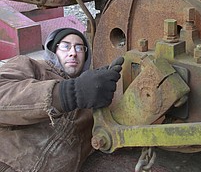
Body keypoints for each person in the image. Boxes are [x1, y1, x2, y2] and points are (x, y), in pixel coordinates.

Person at [0, 28, 124, 172]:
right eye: (65, 46)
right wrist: (69, 93)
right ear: (54, 50)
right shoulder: (31, 65)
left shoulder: (90, 102)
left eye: (79, 48)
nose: (73, 53)